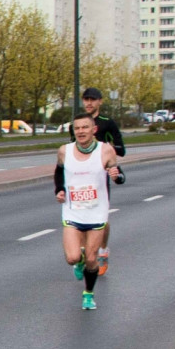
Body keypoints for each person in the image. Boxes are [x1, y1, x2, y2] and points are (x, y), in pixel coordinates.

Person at [55, 112, 125, 311]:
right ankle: (79, 263)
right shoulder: (64, 151)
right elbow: (59, 171)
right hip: (72, 211)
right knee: (72, 258)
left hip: (96, 212)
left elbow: (119, 176)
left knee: (92, 259)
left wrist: (116, 176)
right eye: (77, 128)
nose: (81, 131)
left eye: (85, 127)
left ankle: (88, 294)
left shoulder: (105, 151)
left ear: (94, 130)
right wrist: (59, 189)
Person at [69, 87, 126, 275]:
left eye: (93, 99)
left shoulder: (107, 123)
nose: (89, 103)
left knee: (101, 218)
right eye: (86, 99)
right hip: (80, 176)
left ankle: (102, 251)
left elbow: (121, 149)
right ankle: (85, 256)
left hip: (100, 175)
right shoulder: (76, 124)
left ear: (100, 101)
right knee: (81, 216)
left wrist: (107, 152)